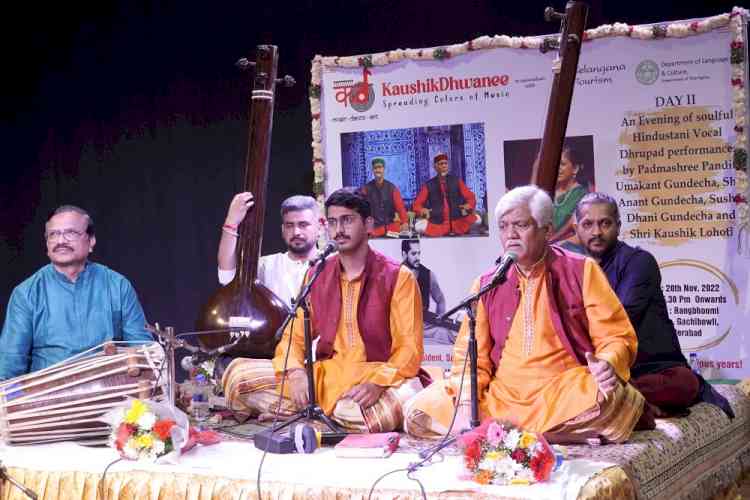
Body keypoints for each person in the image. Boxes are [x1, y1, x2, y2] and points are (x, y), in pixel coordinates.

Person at [405, 185, 651, 444]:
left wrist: (608, 363)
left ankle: (503, 435)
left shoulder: (581, 271)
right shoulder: (487, 283)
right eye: (503, 226)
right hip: (501, 397)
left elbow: (615, 335)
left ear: (547, 230)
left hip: (560, 394)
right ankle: (540, 435)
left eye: (521, 225)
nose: (510, 234)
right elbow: (469, 357)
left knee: (612, 399)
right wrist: (468, 404)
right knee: (418, 412)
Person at [222, 188, 426, 432]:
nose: (339, 230)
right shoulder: (317, 273)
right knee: (237, 376)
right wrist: (296, 373)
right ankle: (316, 411)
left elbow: (409, 349)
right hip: (326, 377)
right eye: (333, 222)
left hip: (375, 377)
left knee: (376, 412)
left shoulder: (397, 277)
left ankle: (302, 411)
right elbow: (294, 336)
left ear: (368, 224)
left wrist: (378, 384)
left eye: (347, 220)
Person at [573, 192, 733, 418]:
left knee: (683, 383)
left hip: (652, 368)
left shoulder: (639, 262)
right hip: (604, 372)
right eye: (588, 224)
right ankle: (622, 403)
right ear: (576, 230)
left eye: (605, 223)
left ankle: (613, 401)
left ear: (618, 226)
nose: (596, 232)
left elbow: (622, 319)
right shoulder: (573, 269)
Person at [0, 205, 151, 380]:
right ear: (47, 243)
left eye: (70, 233)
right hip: (50, 400)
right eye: (53, 234)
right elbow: (9, 366)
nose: (60, 241)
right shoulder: (26, 293)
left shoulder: (117, 286)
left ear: (91, 241)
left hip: (114, 397)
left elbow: (143, 352)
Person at [217, 192, 322, 309]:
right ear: (282, 230)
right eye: (289, 225)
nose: (296, 232)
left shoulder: (333, 264)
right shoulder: (267, 265)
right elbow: (226, 276)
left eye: (303, 225)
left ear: (320, 227)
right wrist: (231, 221)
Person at [401, 239, 457, 344]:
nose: (417, 257)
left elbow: (440, 299)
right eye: (413, 254)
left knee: (446, 333)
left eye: (419, 253)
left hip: (424, 325)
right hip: (401, 326)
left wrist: (440, 321)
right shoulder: (394, 274)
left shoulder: (428, 274)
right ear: (404, 254)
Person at [413, 153, 481, 237]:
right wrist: (422, 210)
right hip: (437, 221)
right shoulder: (429, 185)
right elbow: (417, 204)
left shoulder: (456, 181)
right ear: (435, 167)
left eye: (446, 163)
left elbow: (470, 197)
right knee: (417, 226)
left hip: (457, 220)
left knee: (478, 219)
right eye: (441, 164)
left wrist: (469, 205)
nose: (444, 166)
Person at [549, 146, 588, 251]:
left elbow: (573, 224)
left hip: (570, 248)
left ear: (575, 169)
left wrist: (551, 242)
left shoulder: (582, 194)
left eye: (562, 164)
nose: (557, 168)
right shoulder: (548, 192)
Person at [360, 158, 409, 237]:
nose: (378, 170)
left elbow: (401, 208)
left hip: (390, 227)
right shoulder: (366, 189)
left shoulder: (392, 188)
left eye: (380, 167)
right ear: (372, 170)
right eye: (375, 168)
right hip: (373, 228)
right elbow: (361, 209)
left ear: (384, 169)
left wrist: (405, 222)